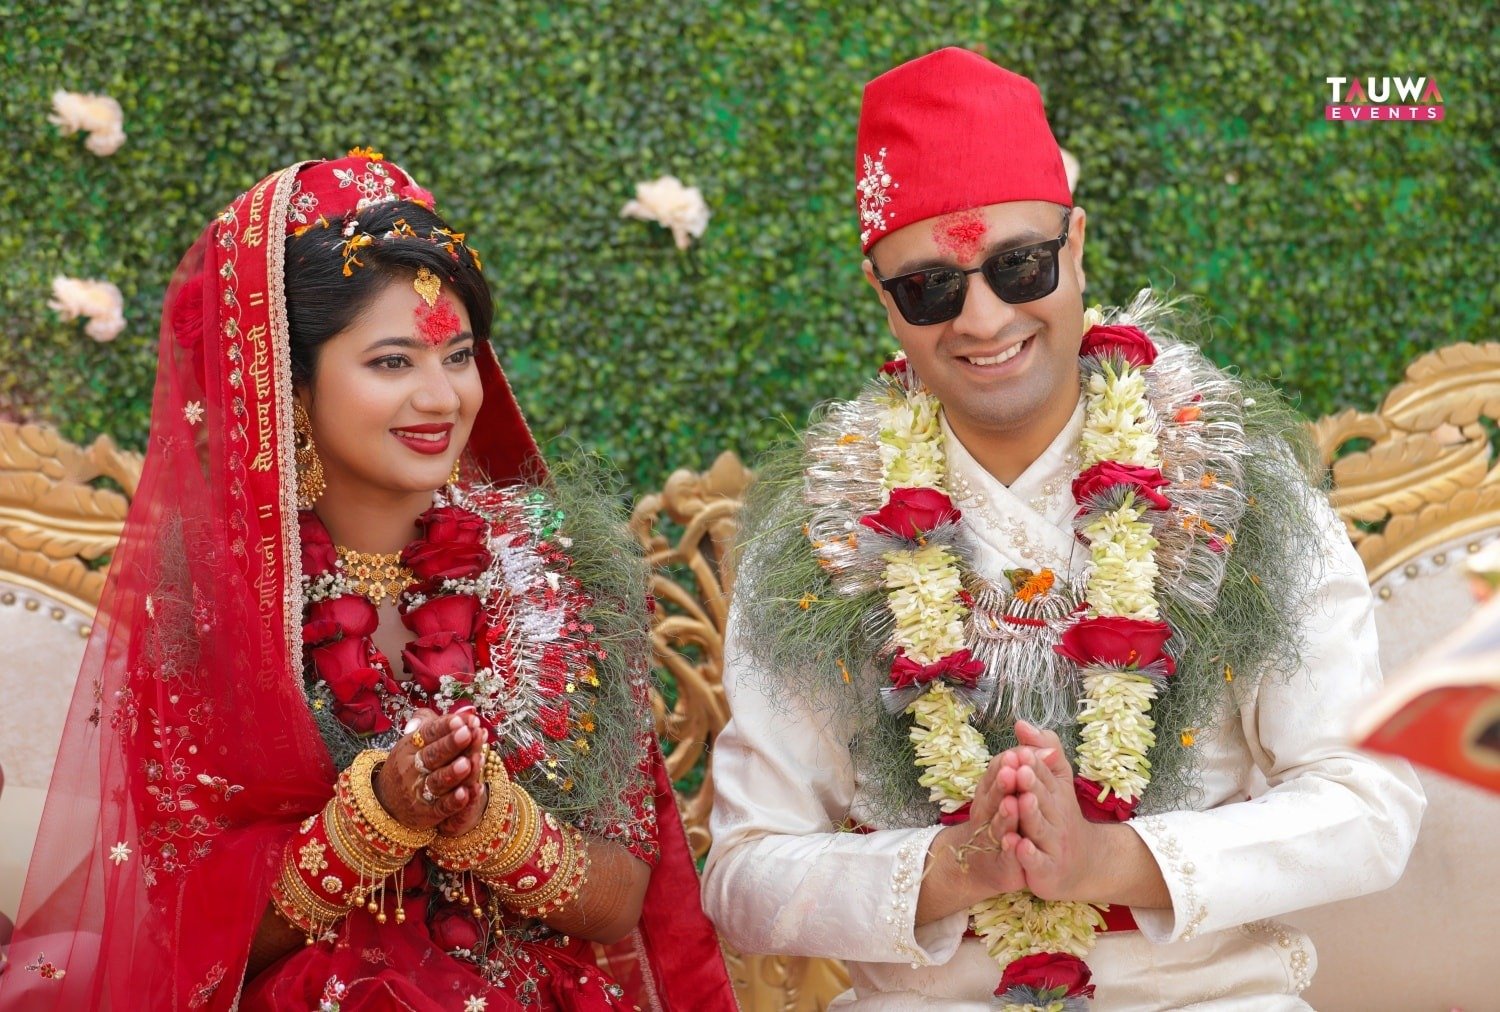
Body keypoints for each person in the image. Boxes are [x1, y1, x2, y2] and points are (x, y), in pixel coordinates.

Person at [702, 48, 1425, 1010]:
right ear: (884, 300)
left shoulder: (1232, 480)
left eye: (1019, 266)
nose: (982, 319)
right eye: (931, 288)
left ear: (1075, 246)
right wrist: (955, 868)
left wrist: (1110, 861)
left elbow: (1369, 803)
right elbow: (743, 872)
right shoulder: (821, 527)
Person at [0, 151, 738, 1011]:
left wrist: (489, 822)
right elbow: (181, 928)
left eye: (457, 356)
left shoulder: (553, 572)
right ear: (290, 386)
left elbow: (622, 899)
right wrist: (372, 821)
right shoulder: (209, 606)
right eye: (393, 362)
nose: (442, 398)